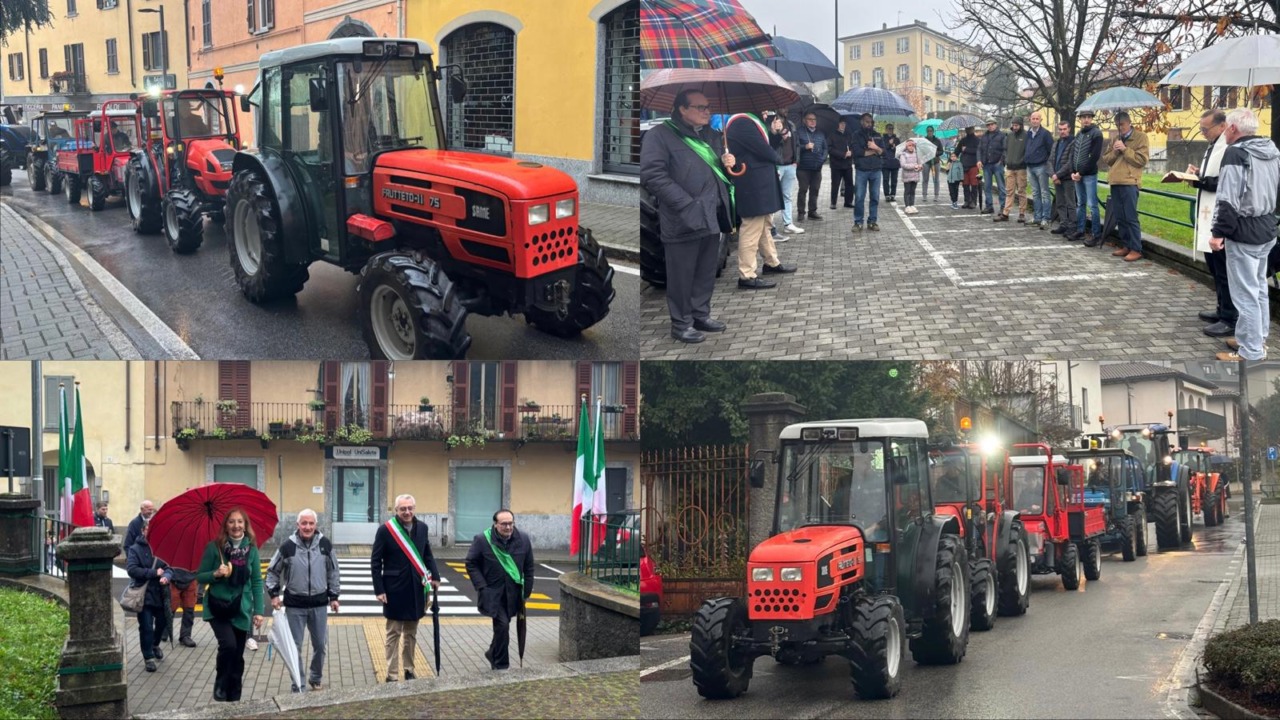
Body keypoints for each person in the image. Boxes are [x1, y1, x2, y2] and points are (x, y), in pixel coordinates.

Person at [639, 90, 735, 345]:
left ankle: (700, 315)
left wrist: (728, 164)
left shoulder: (711, 136)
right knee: (682, 275)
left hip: (711, 216)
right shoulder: (660, 135)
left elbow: (719, 175)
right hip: (683, 218)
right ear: (682, 109)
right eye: (701, 107)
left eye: (708, 106)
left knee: (705, 271)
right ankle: (681, 324)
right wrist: (686, 204)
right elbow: (652, 175)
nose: (707, 111)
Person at [1210, 108, 1280, 362]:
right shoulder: (1271, 151)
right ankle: (1255, 338)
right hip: (1266, 227)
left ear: (1232, 128)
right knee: (1258, 287)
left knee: (1245, 293)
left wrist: (1218, 232)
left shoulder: (1235, 153)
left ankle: (1250, 351)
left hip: (1244, 231)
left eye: (1226, 128)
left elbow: (1228, 198)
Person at [266, 509, 341, 692]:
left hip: (319, 604)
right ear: (297, 525)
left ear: (316, 525)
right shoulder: (287, 547)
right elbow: (272, 571)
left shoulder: (325, 544)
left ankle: (315, 677)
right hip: (295, 606)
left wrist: (334, 597)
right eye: (304, 523)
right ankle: (298, 684)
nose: (307, 527)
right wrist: (274, 594)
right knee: (295, 647)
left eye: (311, 523)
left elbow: (333, 571)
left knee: (320, 645)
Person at [195, 508, 265, 703]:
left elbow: (257, 581)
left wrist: (259, 611)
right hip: (218, 607)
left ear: (245, 525)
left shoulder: (251, 549)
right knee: (228, 645)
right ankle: (220, 682)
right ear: (225, 525)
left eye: (240, 521)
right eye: (232, 521)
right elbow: (200, 576)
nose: (236, 525)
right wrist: (215, 574)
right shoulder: (214, 548)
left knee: (238, 655)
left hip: (241, 608)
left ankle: (234, 695)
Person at [724, 112, 797, 290]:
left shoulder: (751, 121)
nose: (766, 112)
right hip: (753, 183)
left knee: (765, 225)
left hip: (760, 182)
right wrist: (778, 158)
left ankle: (771, 262)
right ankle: (747, 274)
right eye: (764, 110)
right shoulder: (742, 122)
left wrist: (774, 134)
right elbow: (763, 150)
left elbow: (765, 145)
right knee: (751, 228)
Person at [371, 494, 440, 683]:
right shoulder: (386, 530)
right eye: (403, 509)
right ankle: (392, 674)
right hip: (394, 589)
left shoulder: (422, 528)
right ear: (396, 510)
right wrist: (379, 589)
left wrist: (435, 576)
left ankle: (409, 669)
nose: (407, 512)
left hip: (416, 588)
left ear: (414, 509)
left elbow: (427, 553)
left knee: (411, 633)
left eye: (410, 508)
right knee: (393, 633)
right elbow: (375, 561)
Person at [465, 509, 535, 671]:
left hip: (514, 594)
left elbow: (529, 567)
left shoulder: (523, 539)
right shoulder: (482, 540)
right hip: (493, 594)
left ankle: (492, 652)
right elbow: (471, 563)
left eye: (511, 523)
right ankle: (501, 665)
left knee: (503, 627)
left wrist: (527, 591)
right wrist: (482, 586)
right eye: (504, 524)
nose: (508, 527)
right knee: (502, 626)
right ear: (495, 524)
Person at [1187, 110, 1235, 338]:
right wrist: (1199, 174)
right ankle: (1221, 308)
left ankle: (1230, 317)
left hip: (1221, 218)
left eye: (1206, 129)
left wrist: (1199, 181)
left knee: (1224, 270)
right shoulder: (1214, 145)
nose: (1203, 133)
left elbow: (1225, 182)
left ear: (1222, 126)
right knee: (1215, 268)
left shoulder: (1229, 148)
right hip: (1210, 217)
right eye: (1201, 129)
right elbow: (1213, 176)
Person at [1101, 111, 1150, 262]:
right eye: (1117, 125)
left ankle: (1136, 248)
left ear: (1129, 123)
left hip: (1130, 182)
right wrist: (1116, 151)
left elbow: (1141, 160)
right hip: (1115, 181)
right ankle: (1126, 245)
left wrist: (1125, 149)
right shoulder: (1115, 138)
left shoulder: (1141, 137)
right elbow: (1106, 159)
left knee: (1130, 217)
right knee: (1120, 217)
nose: (1120, 127)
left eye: (1122, 124)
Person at [126, 520, 173, 673]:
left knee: (162, 623)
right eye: (149, 529)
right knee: (146, 626)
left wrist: (166, 576)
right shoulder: (135, 549)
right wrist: (154, 573)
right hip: (143, 594)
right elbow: (132, 569)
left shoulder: (163, 547)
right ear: (143, 531)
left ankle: (155, 644)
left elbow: (169, 567)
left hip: (160, 594)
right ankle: (148, 657)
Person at [1071, 109, 1105, 245]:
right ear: (1080, 119)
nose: (1086, 120)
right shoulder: (1079, 134)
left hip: (1089, 174)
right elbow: (1074, 154)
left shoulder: (1096, 133)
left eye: (1088, 117)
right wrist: (1073, 171)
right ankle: (1080, 230)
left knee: (1092, 205)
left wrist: (1081, 173)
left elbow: (1094, 156)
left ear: (1091, 118)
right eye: (1083, 117)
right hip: (1077, 174)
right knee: (1080, 203)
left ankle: (1096, 234)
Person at [766, 111, 803, 236]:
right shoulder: (770, 123)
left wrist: (796, 160)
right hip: (777, 165)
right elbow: (770, 144)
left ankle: (788, 224)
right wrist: (776, 132)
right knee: (773, 195)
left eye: (787, 107)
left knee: (787, 196)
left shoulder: (791, 124)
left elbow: (796, 144)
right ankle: (771, 227)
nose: (785, 109)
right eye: (782, 107)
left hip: (790, 165)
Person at [849, 112, 884, 232]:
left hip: (876, 170)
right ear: (861, 122)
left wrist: (875, 147)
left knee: (875, 197)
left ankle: (872, 221)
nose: (869, 124)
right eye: (866, 122)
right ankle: (858, 222)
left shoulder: (877, 135)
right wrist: (874, 151)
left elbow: (883, 152)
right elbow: (857, 152)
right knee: (859, 197)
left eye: (870, 122)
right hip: (862, 170)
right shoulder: (856, 135)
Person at [794, 112, 827, 221]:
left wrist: (822, 159)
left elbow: (825, 148)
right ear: (804, 120)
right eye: (810, 119)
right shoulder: (799, 132)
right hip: (803, 167)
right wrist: (805, 147)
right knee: (803, 190)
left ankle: (812, 212)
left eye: (814, 119)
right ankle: (801, 212)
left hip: (817, 167)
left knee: (815, 190)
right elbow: (795, 147)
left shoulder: (820, 133)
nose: (813, 121)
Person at [1025, 111, 1055, 229]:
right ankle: (1037, 217)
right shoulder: (1028, 133)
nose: (1035, 120)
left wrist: (1047, 164)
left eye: (1037, 118)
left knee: (1044, 193)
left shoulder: (1045, 134)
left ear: (1040, 120)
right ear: (1030, 120)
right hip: (1030, 167)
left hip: (1041, 167)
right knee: (1035, 193)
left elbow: (1051, 151)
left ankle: (1046, 218)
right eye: (1033, 118)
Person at [1050, 122, 1078, 237]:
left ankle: (1072, 226)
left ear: (1069, 129)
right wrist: (1053, 175)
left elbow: (1070, 162)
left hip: (1067, 178)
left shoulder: (1073, 142)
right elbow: (1050, 160)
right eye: (1060, 129)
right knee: (1060, 203)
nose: (1062, 131)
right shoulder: (1056, 143)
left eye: (1064, 129)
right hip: (1057, 178)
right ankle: (1063, 224)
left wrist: (1058, 175)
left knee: (1070, 203)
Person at [977, 118, 1007, 215]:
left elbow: (1005, 149)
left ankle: (1003, 208)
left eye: (992, 124)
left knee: (1001, 187)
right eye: (988, 125)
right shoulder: (984, 136)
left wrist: (1001, 161)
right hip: (986, 165)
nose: (990, 126)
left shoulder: (1002, 135)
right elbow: (979, 149)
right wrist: (979, 160)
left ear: (996, 124)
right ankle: (989, 206)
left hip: (998, 164)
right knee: (987, 187)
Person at [1001, 117, 1028, 223]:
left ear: (1021, 125)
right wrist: (1006, 159)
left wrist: (1023, 161)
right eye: (1013, 125)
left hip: (1021, 168)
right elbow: (1005, 149)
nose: (1014, 127)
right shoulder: (1009, 135)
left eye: (1016, 125)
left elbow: (1027, 151)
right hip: (1010, 167)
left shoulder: (1026, 136)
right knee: (1009, 191)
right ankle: (1005, 213)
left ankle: (1022, 213)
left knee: (1021, 191)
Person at [827, 118, 855, 211]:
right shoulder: (832, 135)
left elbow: (853, 146)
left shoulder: (849, 135)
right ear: (838, 124)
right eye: (841, 123)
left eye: (844, 124)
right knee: (835, 184)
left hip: (847, 164)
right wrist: (842, 154)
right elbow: (830, 149)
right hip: (836, 165)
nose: (843, 125)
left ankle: (848, 202)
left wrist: (851, 152)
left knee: (849, 184)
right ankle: (833, 202)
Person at [957, 126, 981, 209]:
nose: (968, 130)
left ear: (973, 129)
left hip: (974, 165)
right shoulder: (963, 140)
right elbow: (957, 150)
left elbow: (978, 151)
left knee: (974, 184)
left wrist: (967, 149)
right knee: (965, 184)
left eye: (970, 129)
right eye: (967, 129)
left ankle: (973, 201)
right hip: (964, 165)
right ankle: (967, 200)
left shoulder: (977, 140)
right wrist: (950, 160)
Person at [898, 139, 923, 215]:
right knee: (907, 191)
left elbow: (920, 163)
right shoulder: (903, 154)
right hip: (907, 176)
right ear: (906, 146)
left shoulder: (917, 154)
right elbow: (903, 165)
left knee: (913, 191)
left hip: (915, 176)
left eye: (912, 145)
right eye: (909, 145)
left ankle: (912, 205)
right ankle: (907, 206)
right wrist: (914, 166)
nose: (911, 147)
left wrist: (920, 167)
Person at [922, 126, 944, 202]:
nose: (929, 132)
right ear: (926, 132)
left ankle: (936, 195)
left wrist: (936, 153)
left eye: (931, 130)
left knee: (936, 179)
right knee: (925, 179)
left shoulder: (937, 140)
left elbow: (941, 151)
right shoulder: (924, 140)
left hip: (935, 162)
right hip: (926, 162)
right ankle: (924, 195)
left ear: (933, 131)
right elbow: (921, 151)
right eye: (928, 131)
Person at [881, 123, 901, 205]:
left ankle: (893, 194)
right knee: (885, 179)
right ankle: (887, 195)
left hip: (894, 162)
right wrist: (889, 144)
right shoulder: (882, 139)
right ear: (886, 129)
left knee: (894, 180)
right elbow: (882, 149)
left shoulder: (897, 139)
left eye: (892, 128)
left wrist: (894, 147)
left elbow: (899, 150)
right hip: (885, 162)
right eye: (889, 128)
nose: (890, 130)